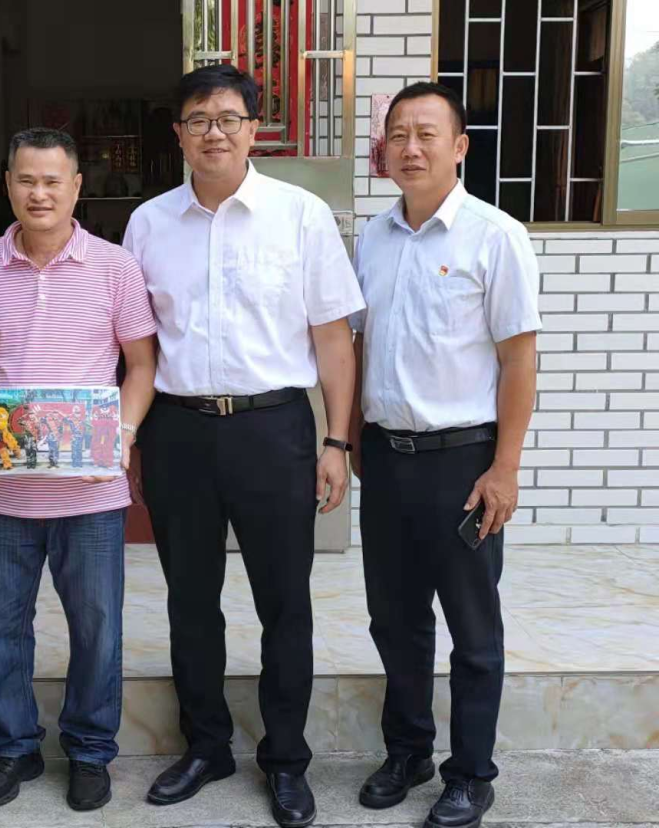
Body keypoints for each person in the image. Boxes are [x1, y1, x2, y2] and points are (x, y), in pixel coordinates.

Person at [123, 65, 365, 828]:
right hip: (178, 431)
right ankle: (207, 746)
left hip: (274, 430)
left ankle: (286, 759)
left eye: (229, 118)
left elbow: (334, 339)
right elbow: (134, 346)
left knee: (284, 603)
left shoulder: (300, 215)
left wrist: (337, 440)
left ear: (254, 129)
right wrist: (132, 437)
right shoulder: (148, 224)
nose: (215, 132)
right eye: (198, 119)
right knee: (190, 600)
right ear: (178, 133)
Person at [347, 82, 540, 828]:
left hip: (464, 461)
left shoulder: (495, 235)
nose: (411, 147)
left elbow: (519, 361)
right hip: (387, 459)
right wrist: (354, 438)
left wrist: (505, 467)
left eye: (427, 134)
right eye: (398, 134)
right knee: (394, 621)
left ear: (459, 147)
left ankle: (470, 774)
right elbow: (359, 344)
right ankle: (408, 752)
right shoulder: (372, 237)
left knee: (472, 628)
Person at [0, 128, 157, 812]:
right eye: (26, 180)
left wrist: (124, 433)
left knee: (97, 629)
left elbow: (142, 364)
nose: (39, 193)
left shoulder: (115, 267)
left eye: (52, 181)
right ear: (8, 184)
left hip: (91, 491)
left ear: (76, 188)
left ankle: (90, 751)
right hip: (3, 489)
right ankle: (13, 748)